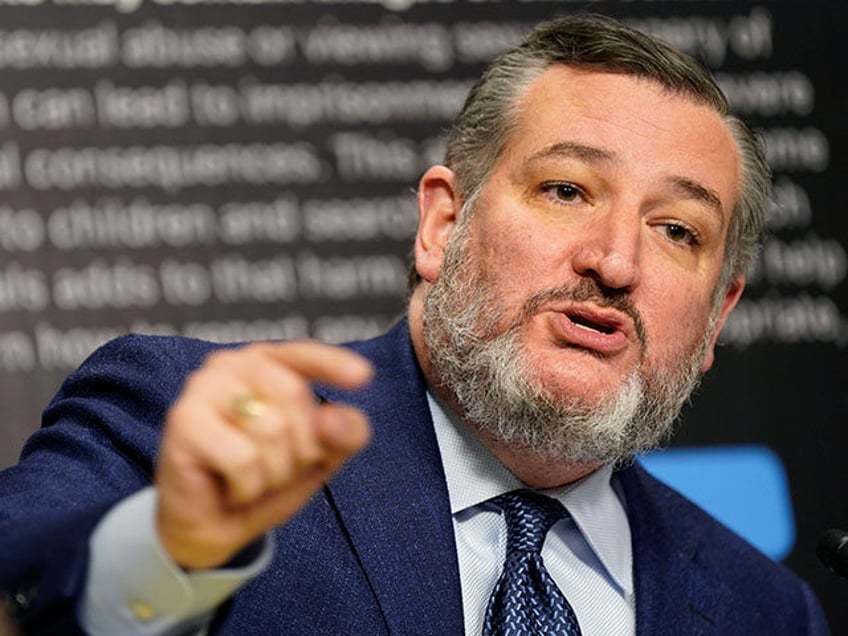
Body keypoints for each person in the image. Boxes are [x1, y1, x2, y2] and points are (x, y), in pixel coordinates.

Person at [0, 13, 830, 636]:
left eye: (677, 231)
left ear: (718, 313)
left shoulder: (766, 609)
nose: (615, 263)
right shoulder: (176, 418)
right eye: (567, 190)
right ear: (443, 224)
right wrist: (169, 546)